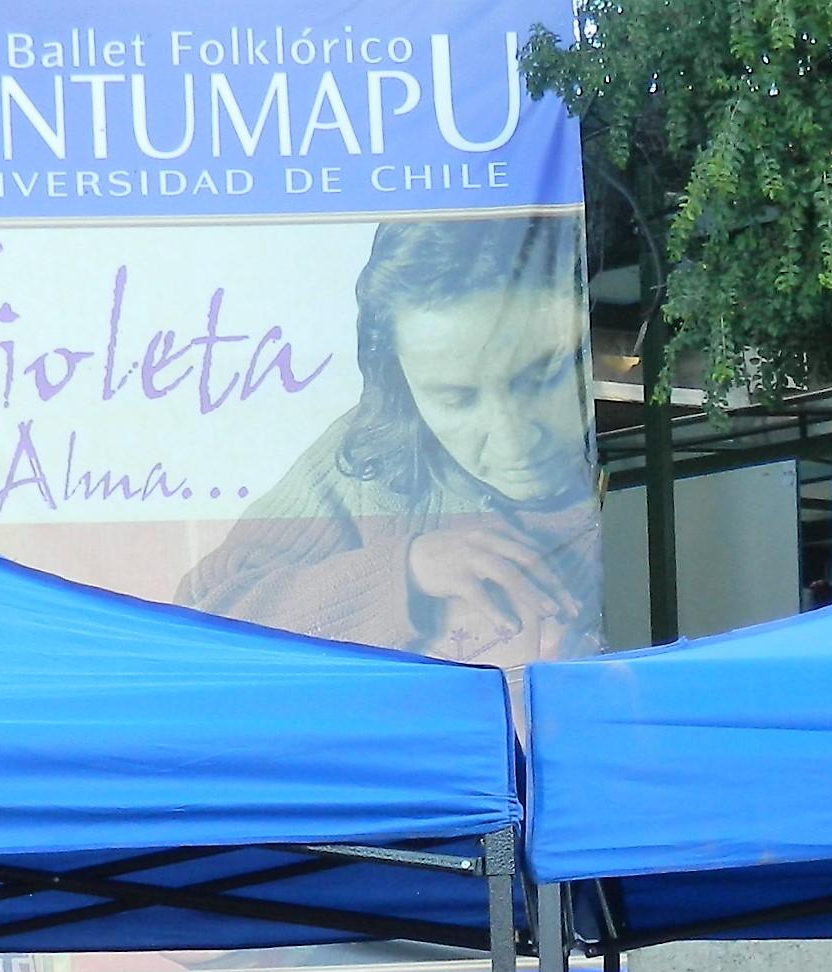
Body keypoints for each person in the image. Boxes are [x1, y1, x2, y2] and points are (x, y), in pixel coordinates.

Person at [178, 216, 597, 665]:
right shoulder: (370, 456)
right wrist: (408, 571)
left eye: (540, 378)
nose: (513, 438)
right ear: (400, 383)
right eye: (457, 399)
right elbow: (204, 618)